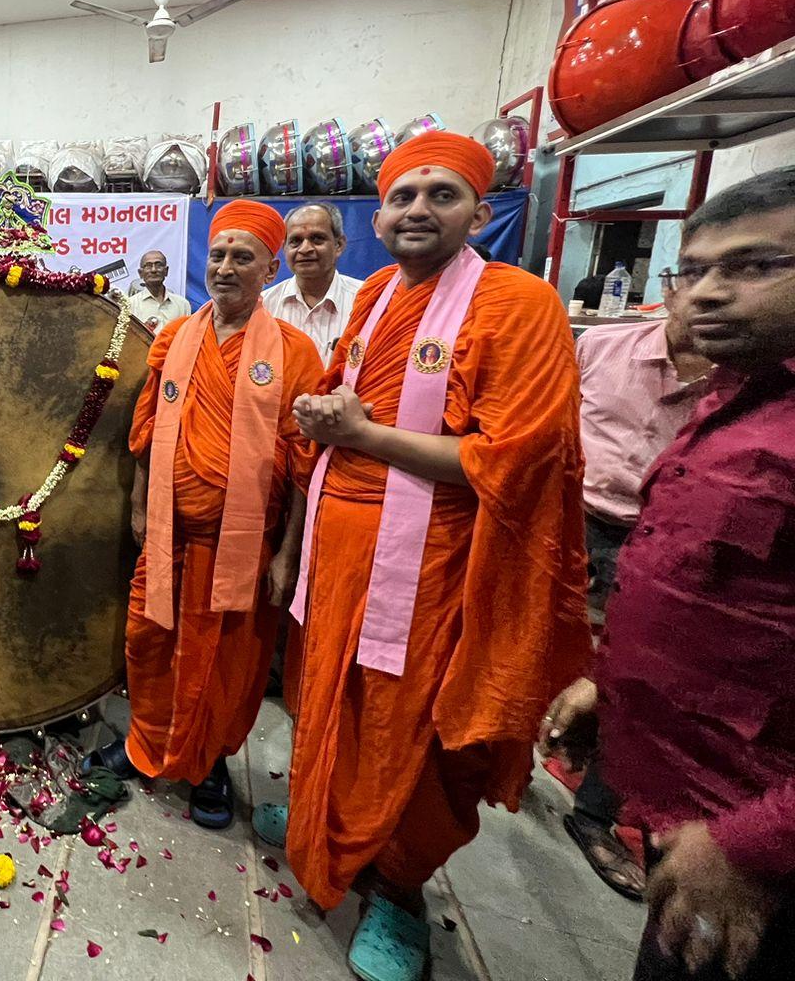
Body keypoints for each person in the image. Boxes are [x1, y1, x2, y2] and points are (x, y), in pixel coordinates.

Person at [259, 131, 589, 981]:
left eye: (442, 195)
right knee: (326, 697)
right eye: (403, 195)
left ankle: (398, 892)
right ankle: (324, 825)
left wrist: (362, 433)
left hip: (437, 563)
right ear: (381, 214)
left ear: (481, 212)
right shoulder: (372, 298)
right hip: (338, 550)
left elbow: (512, 456)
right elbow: (341, 400)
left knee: (410, 731)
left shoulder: (518, 304)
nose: (417, 210)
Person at [541, 168, 795, 981]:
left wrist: (750, 844)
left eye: (756, 267)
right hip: (698, 816)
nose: (708, 294)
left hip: (754, 850)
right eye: (693, 271)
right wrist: (612, 681)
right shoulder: (736, 401)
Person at [86, 201, 323, 830]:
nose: (225, 267)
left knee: (225, 664)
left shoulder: (297, 354)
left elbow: (305, 465)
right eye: (217, 254)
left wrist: (286, 553)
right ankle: (146, 746)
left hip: (243, 547)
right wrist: (139, 504)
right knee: (150, 642)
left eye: (242, 256)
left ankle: (209, 761)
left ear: (269, 266)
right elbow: (148, 430)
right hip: (168, 534)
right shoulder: (172, 337)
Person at [560, 293, 712, 900]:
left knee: (639, 677)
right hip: (571, 517)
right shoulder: (598, 347)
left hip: (669, 538)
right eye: (698, 271)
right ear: (672, 288)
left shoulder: (747, 382)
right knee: (547, 649)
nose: (715, 292)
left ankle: (598, 811)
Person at [262, 203, 364, 360]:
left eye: (317, 239)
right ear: (284, 249)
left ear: (339, 245)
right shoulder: (264, 306)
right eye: (295, 241)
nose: (305, 249)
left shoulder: (366, 300)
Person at [126, 249, 192, 333]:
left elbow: (186, 337)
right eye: (148, 266)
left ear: (166, 271)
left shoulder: (183, 305)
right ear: (140, 273)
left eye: (158, 265)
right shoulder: (130, 305)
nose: (153, 270)